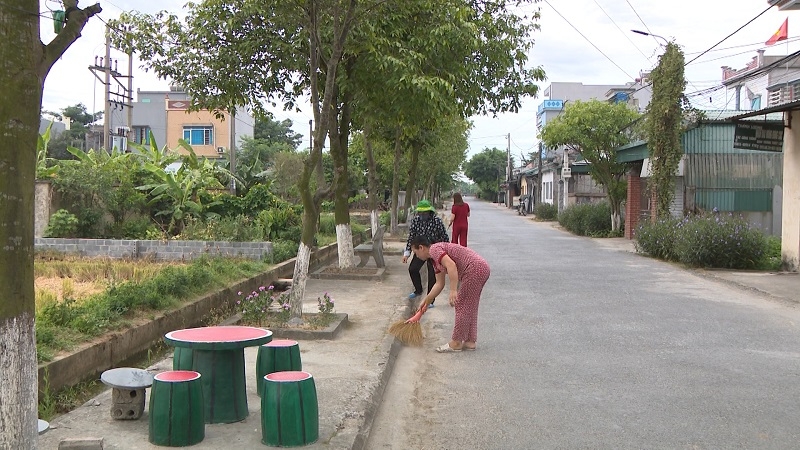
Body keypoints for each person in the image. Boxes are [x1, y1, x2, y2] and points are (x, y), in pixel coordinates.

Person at [409, 236, 491, 353]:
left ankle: (456, 342)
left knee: (461, 304)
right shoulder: (434, 261)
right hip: (481, 268)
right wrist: (427, 301)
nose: (416, 256)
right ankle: (470, 341)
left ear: (421, 248)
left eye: (415, 253)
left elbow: (451, 265)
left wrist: (453, 290)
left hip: (474, 268)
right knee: (470, 305)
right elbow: (439, 284)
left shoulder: (434, 249)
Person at [402, 199, 449, 306]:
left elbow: (444, 237)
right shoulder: (416, 221)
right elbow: (411, 238)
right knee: (413, 269)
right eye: (420, 213)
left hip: (434, 251)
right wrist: (407, 253)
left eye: (425, 213)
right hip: (421, 251)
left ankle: (430, 300)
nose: (422, 215)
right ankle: (418, 290)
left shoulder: (436, 221)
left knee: (433, 276)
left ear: (429, 212)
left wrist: (446, 252)